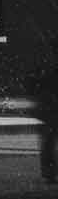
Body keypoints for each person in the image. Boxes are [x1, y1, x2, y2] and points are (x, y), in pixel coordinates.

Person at [27, 53, 57, 185]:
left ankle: (49, 173)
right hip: (50, 108)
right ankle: (49, 173)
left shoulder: (47, 69)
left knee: (48, 141)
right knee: (48, 141)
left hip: (48, 109)